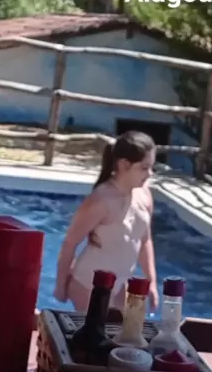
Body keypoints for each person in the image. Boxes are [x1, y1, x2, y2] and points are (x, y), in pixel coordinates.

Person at [54, 131, 159, 312]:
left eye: (151, 167)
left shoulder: (144, 195)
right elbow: (70, 242)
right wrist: (60, 284)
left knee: (122, 329)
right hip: (88, 284)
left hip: (119, 285)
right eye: (144, 168)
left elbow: (144, 240)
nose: (149, 174)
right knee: (94, 329)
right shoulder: (101, 201)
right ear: (124, 165)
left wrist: (152, 282)